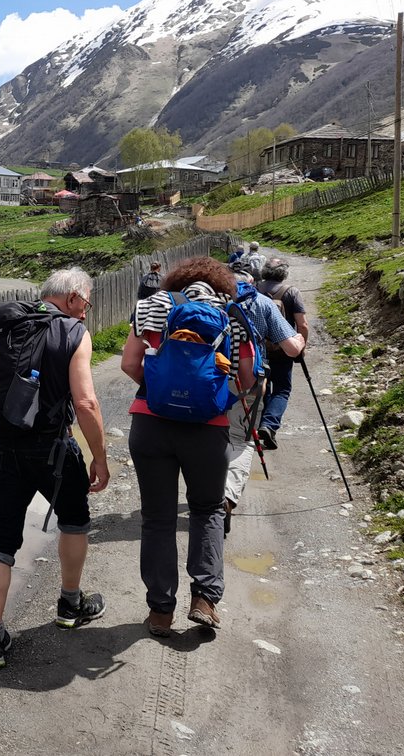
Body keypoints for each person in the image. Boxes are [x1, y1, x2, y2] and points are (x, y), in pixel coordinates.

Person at [0, 266, 110, 669]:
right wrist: (100, 457)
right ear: (72, 298)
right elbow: (86, 403)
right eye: (85, 303)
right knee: (74, 520)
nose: (86, 312)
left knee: (1, 537)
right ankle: (70, 604)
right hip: (53, 448)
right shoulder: (73, 333)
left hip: (2, 446)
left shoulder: (7, 321)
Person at [120, 256, 257, 637]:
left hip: (150, 423)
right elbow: (246, 377)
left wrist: (159, 390)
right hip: (207, 428)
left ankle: (161, 610)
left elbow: (130, 364)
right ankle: (205, 600)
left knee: (157, 518)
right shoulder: (232, 313)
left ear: (174, 281)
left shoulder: (150, 306)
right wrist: (215, 398)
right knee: (208, 510)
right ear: (222, 283)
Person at [225, 268, 305, 534]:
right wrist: (301, 338)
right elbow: (292, 348)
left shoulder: (211, 300)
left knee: (209, 441)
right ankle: (226, 495)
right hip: (245, 384)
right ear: (251, 284)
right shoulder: (261, 302)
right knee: (240, 441)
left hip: (207, 382)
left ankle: (206, 494)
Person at [256, 258, 308, 450]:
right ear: (284, 273)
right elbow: (302, 324)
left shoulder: (254, 289)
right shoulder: (291, 292)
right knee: (282, 389)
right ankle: (269, 425)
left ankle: (259, 424)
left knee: (261, 387)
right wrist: (301, 348)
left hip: (258, 349)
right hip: (283, 348)